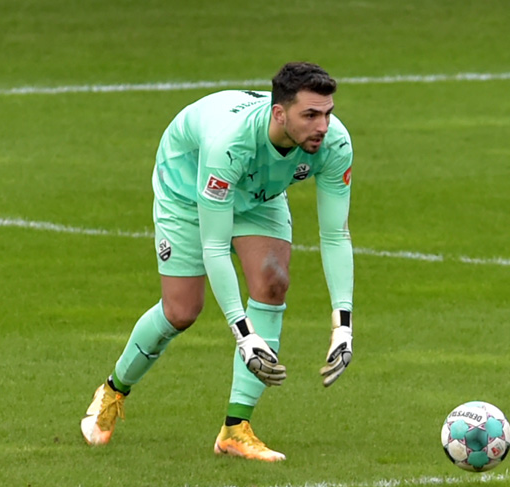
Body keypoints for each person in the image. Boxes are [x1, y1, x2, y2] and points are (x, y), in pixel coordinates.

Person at [80, 62, 354, 462]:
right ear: (280, 114)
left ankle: (235, 429)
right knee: (182, 310)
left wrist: (343, 324)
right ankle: (113, 390)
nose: (322, 126)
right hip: (190, 185)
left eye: (327, 113)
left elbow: (335, 234)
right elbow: (214, 246)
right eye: (310, 115)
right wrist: (243, 333)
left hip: (256, 187)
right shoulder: (230, 143)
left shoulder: (334, 144)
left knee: (273, 282)